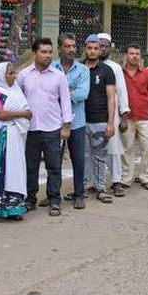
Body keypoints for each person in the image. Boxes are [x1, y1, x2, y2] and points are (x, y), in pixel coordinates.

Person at [18, 37, 73, 217]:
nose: (48, 55)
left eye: (50, 52)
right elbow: (17, 101)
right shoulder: (24, 75)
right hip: (30, 130)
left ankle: (54, 200)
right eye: (44, 52)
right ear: (35, 54)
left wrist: (66, 127)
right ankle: (30, 199)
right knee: (30, 166)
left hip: (52, 129)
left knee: (54, 167)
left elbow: (65, 102)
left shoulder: (58, 76)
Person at [0, 62, 32, 220]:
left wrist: (23, 114)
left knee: (16, 169)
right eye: (10, 73)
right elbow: (1, 114)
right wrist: (22, 114)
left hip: (16, 136)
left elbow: (28, 112)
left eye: (14, 73)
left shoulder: (16, 91)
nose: (14, 77)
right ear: (1, 75)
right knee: (2, 169)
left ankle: (15, 207)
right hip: (2, 137)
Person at [52, 33, 90, 209]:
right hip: (54, 123)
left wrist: (61, 94)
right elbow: (48, 95)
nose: (71, 49)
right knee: (54, 162)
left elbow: (83, 94)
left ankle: (79, 194)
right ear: (60, 47)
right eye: (67, 46)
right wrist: (69, 91)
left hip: (77, 123)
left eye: (74, 46)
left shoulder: (82, 70)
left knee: (78, 161)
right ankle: (53, 196)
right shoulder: (51, 68)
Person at [121, 44, 148, 191]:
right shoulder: (120, 73)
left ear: (140, 56)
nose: (134, 56)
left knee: (146, 148)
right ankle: (126, 178)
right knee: (127, 149)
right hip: (127, 117)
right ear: (126, 55)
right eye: (131, 53)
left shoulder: (147, 74)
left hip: (145, 117)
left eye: (137, 54)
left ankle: (145, 177)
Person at [83, 34, 116, 203]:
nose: (93, 51)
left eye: (96, 48)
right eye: (90, 48)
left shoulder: (106, 70)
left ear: (100, 50)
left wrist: (110, 123)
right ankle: (80, 188)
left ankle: (101, 188)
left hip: (100, 120)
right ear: (85, 49)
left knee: (99, 156)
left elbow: (111, 98)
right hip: (80, 121)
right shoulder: (78, 68)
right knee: (82, 156)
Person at [96, 33, 130, 193]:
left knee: (113, 148)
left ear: (109, 48)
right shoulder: (86, 65)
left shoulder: (115, 67)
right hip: (93, 114)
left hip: (112, 113)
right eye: (99, 45)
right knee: (93, 149)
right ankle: (94, 182)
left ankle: (116, 181)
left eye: (105, 46)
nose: (102, 49)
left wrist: (124, 116)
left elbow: (122, 92)